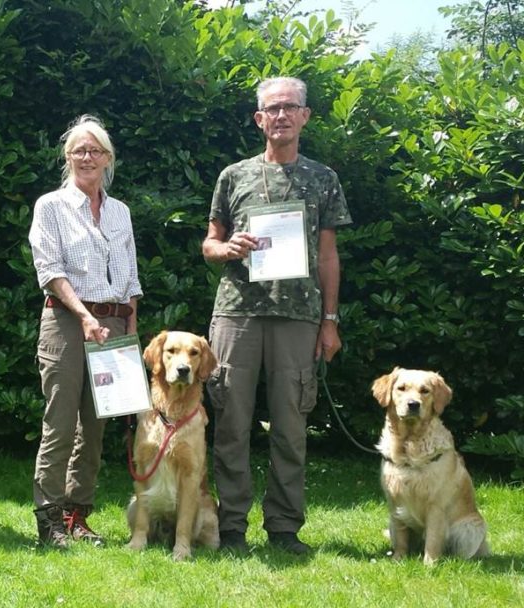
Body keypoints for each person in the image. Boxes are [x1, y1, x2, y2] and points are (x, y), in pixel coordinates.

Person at [201, 77, 352, 554]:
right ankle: (230, 529)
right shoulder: (233, 176)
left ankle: (284, 528)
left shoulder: (323, 178)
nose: (281, 115)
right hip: (236, 315)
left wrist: (330, 320)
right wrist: (225, 248)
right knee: (230, 424)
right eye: (272, 108)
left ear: (305, 116)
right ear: (259, 119)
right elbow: (209, 244)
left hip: (298, 317)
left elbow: (328, 256)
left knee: (290, 427)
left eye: (291, 107)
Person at [28, 115, 142, 547]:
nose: (87, 157)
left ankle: (78, 515)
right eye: (79, 150)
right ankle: (49, 519)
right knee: (60, 422)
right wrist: (84, 316)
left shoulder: (120, 212)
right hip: (65, 320)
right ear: (67, 157)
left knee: (94, 427)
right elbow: (50, 271)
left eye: (95, 150)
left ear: (108, 158)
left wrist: (130, 331)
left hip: (113, 325)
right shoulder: (51, 206)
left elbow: (131, 278)